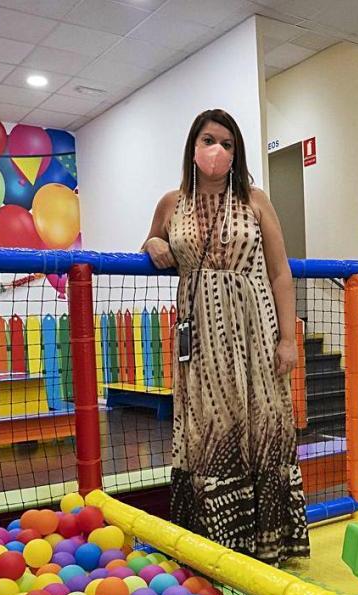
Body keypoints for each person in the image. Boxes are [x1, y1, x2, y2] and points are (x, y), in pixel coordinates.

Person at [142, 109, 309, 564]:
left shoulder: (255, 200)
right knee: (207, 430)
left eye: (228, 144)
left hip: (256, 331)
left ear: (237, 154)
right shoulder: (171, 203)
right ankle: (212, 545)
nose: (217, 151)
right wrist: (152, 243)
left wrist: (288, 339)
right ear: (193, 147)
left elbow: (280, 273)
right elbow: (153, 242)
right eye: (209, 140)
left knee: (265, 423)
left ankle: (269, 542)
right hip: (200, 338)